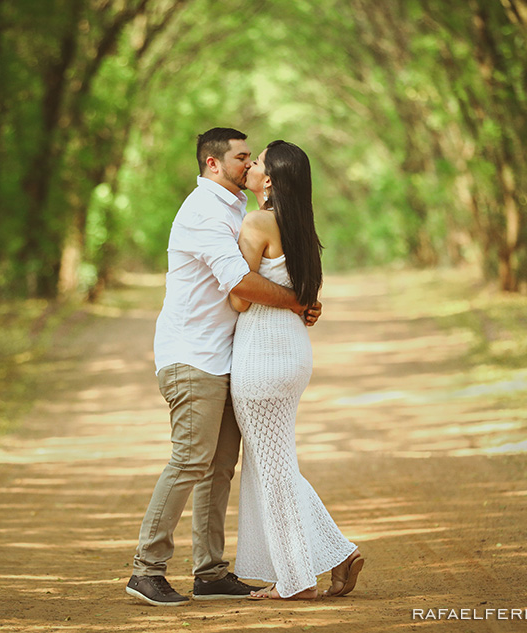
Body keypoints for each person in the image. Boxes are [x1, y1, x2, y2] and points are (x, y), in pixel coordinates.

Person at [126, 128, 322, 607]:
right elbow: (241, 285)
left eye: (252, 158)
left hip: (230, 356)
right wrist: (299, 302)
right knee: (191, 459)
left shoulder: (237, 207)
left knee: (219, 468)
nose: (249, 165)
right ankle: (146, 569)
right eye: (241, 158)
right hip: (192, 355)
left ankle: (210, 572)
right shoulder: (202, 212)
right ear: (213, 164)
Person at [229, 140, 364, 600]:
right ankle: (320, 560)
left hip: (261, 354)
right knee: (275, 464)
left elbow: (239, 297)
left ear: (269, 181)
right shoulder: (302, 228)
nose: (251, 166)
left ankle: (303, 576)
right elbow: (301, 290)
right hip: (292, 353)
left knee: (272, 467)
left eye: (259, 161)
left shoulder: (257, 222)